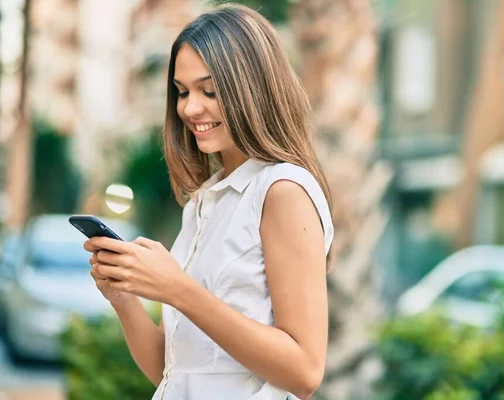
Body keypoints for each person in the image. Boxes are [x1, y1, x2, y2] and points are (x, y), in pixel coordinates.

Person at [84, 3, 334, 400]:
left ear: (253, 88)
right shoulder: (204, 203)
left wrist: (178, 288)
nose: (189, 108)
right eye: (181, 92)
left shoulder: (283, 191)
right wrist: (125, 299)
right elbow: (174, 372)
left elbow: (305, 371)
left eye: (210, 90)